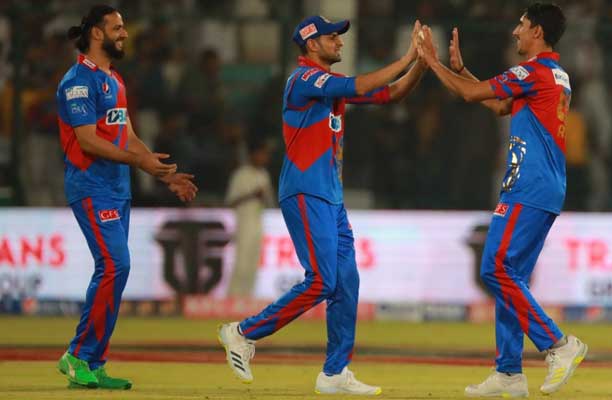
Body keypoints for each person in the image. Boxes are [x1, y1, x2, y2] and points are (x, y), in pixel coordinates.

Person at [218, 16, 426, 395]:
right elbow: (360, 83)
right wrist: (408, 54)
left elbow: (391, 94)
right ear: (311, 44)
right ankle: (242, 332)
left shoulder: (329, 88)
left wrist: (421, 64)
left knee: (346, 282)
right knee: (322, 280)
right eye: (333, 37)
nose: (340, 43)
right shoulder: (304, 80)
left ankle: (334, 373)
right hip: (305, 190)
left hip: (331, 196)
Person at [416, 3, 587, 397]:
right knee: (511, 276)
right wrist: (460, 71)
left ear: (538, 32)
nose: (515, 31)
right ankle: (509, 373)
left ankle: (559, 345)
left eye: (522, 25)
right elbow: (496, 104)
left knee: (493, 267)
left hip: (528, 183)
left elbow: (472, 94)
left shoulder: (532, 71)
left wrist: (432, 63)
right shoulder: (554, 76)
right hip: (544, 185)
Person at [55, 5, 197, 390]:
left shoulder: (114, 81)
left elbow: (127, 135)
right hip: (90, 186)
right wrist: (142, 164)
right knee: (115, 265)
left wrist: (162, 174)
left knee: (117, 269)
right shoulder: (77, 82)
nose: (125, 34)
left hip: (118, 188)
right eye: (118, 28)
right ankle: (77, 356)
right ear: (97, 34)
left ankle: (93, 362)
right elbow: (87, 139)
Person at [225, 138, 275, 297]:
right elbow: (231, 201)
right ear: (253, 155)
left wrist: (263, 197)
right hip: (244, 222)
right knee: (242, 262)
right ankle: (233, 297)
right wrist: (252, 195)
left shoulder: (264, 174)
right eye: (261, 154)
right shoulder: (241, 174)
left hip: (258, 221)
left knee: (253, 261)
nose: (264, 158)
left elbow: (269, 202)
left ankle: (247, 297)